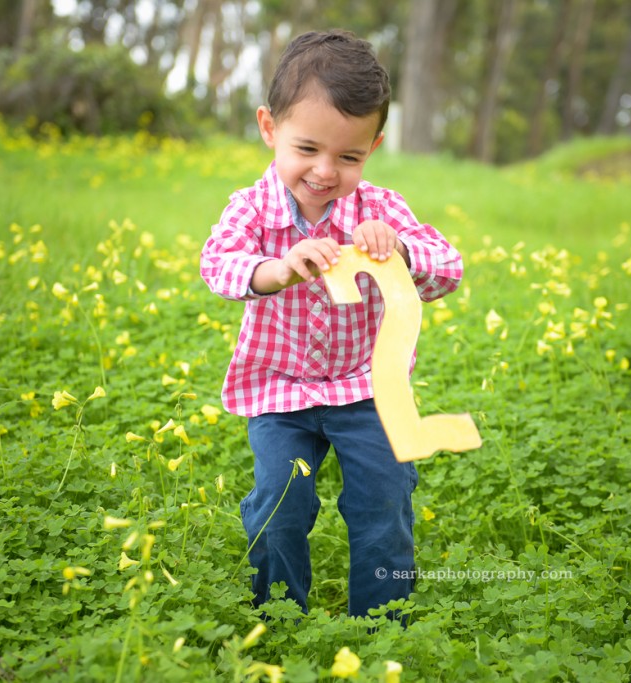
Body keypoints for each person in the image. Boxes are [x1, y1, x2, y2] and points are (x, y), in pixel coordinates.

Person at [199, 29, 463, 619]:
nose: (324, 171)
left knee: (384, 501)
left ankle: (382, 618)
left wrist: (398, 250)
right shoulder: (250, 208)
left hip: (366, 390)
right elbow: (217, 265)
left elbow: (449, 269)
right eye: (307, 149)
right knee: (280, 500)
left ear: (374, 147)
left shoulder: (381, 210)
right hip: (280, 388)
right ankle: (278, 612)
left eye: (349, 157)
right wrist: (275, 269)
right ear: (269, 128)